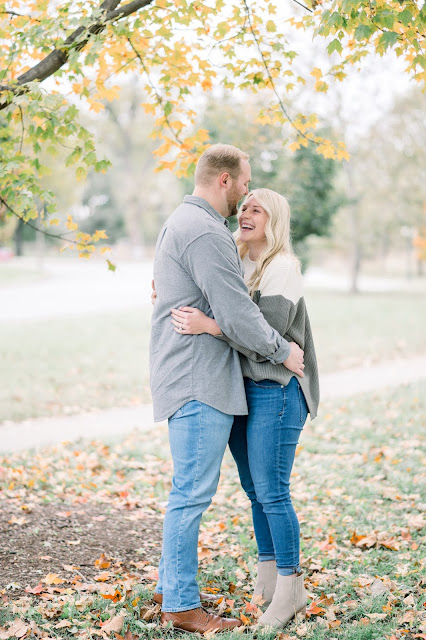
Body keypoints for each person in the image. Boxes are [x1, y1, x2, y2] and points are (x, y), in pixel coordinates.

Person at [149, 144, 305, 634]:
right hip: (200, 381)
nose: (244, 197)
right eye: (244, 184)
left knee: (211, 493)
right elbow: (238, 314)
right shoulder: (205, 233)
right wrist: (282, 350)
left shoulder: (186, 224)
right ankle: (180, 604)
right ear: (224, 180)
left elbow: (219, 301)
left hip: (209, 380)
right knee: (191, 495)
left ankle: (178, 589)